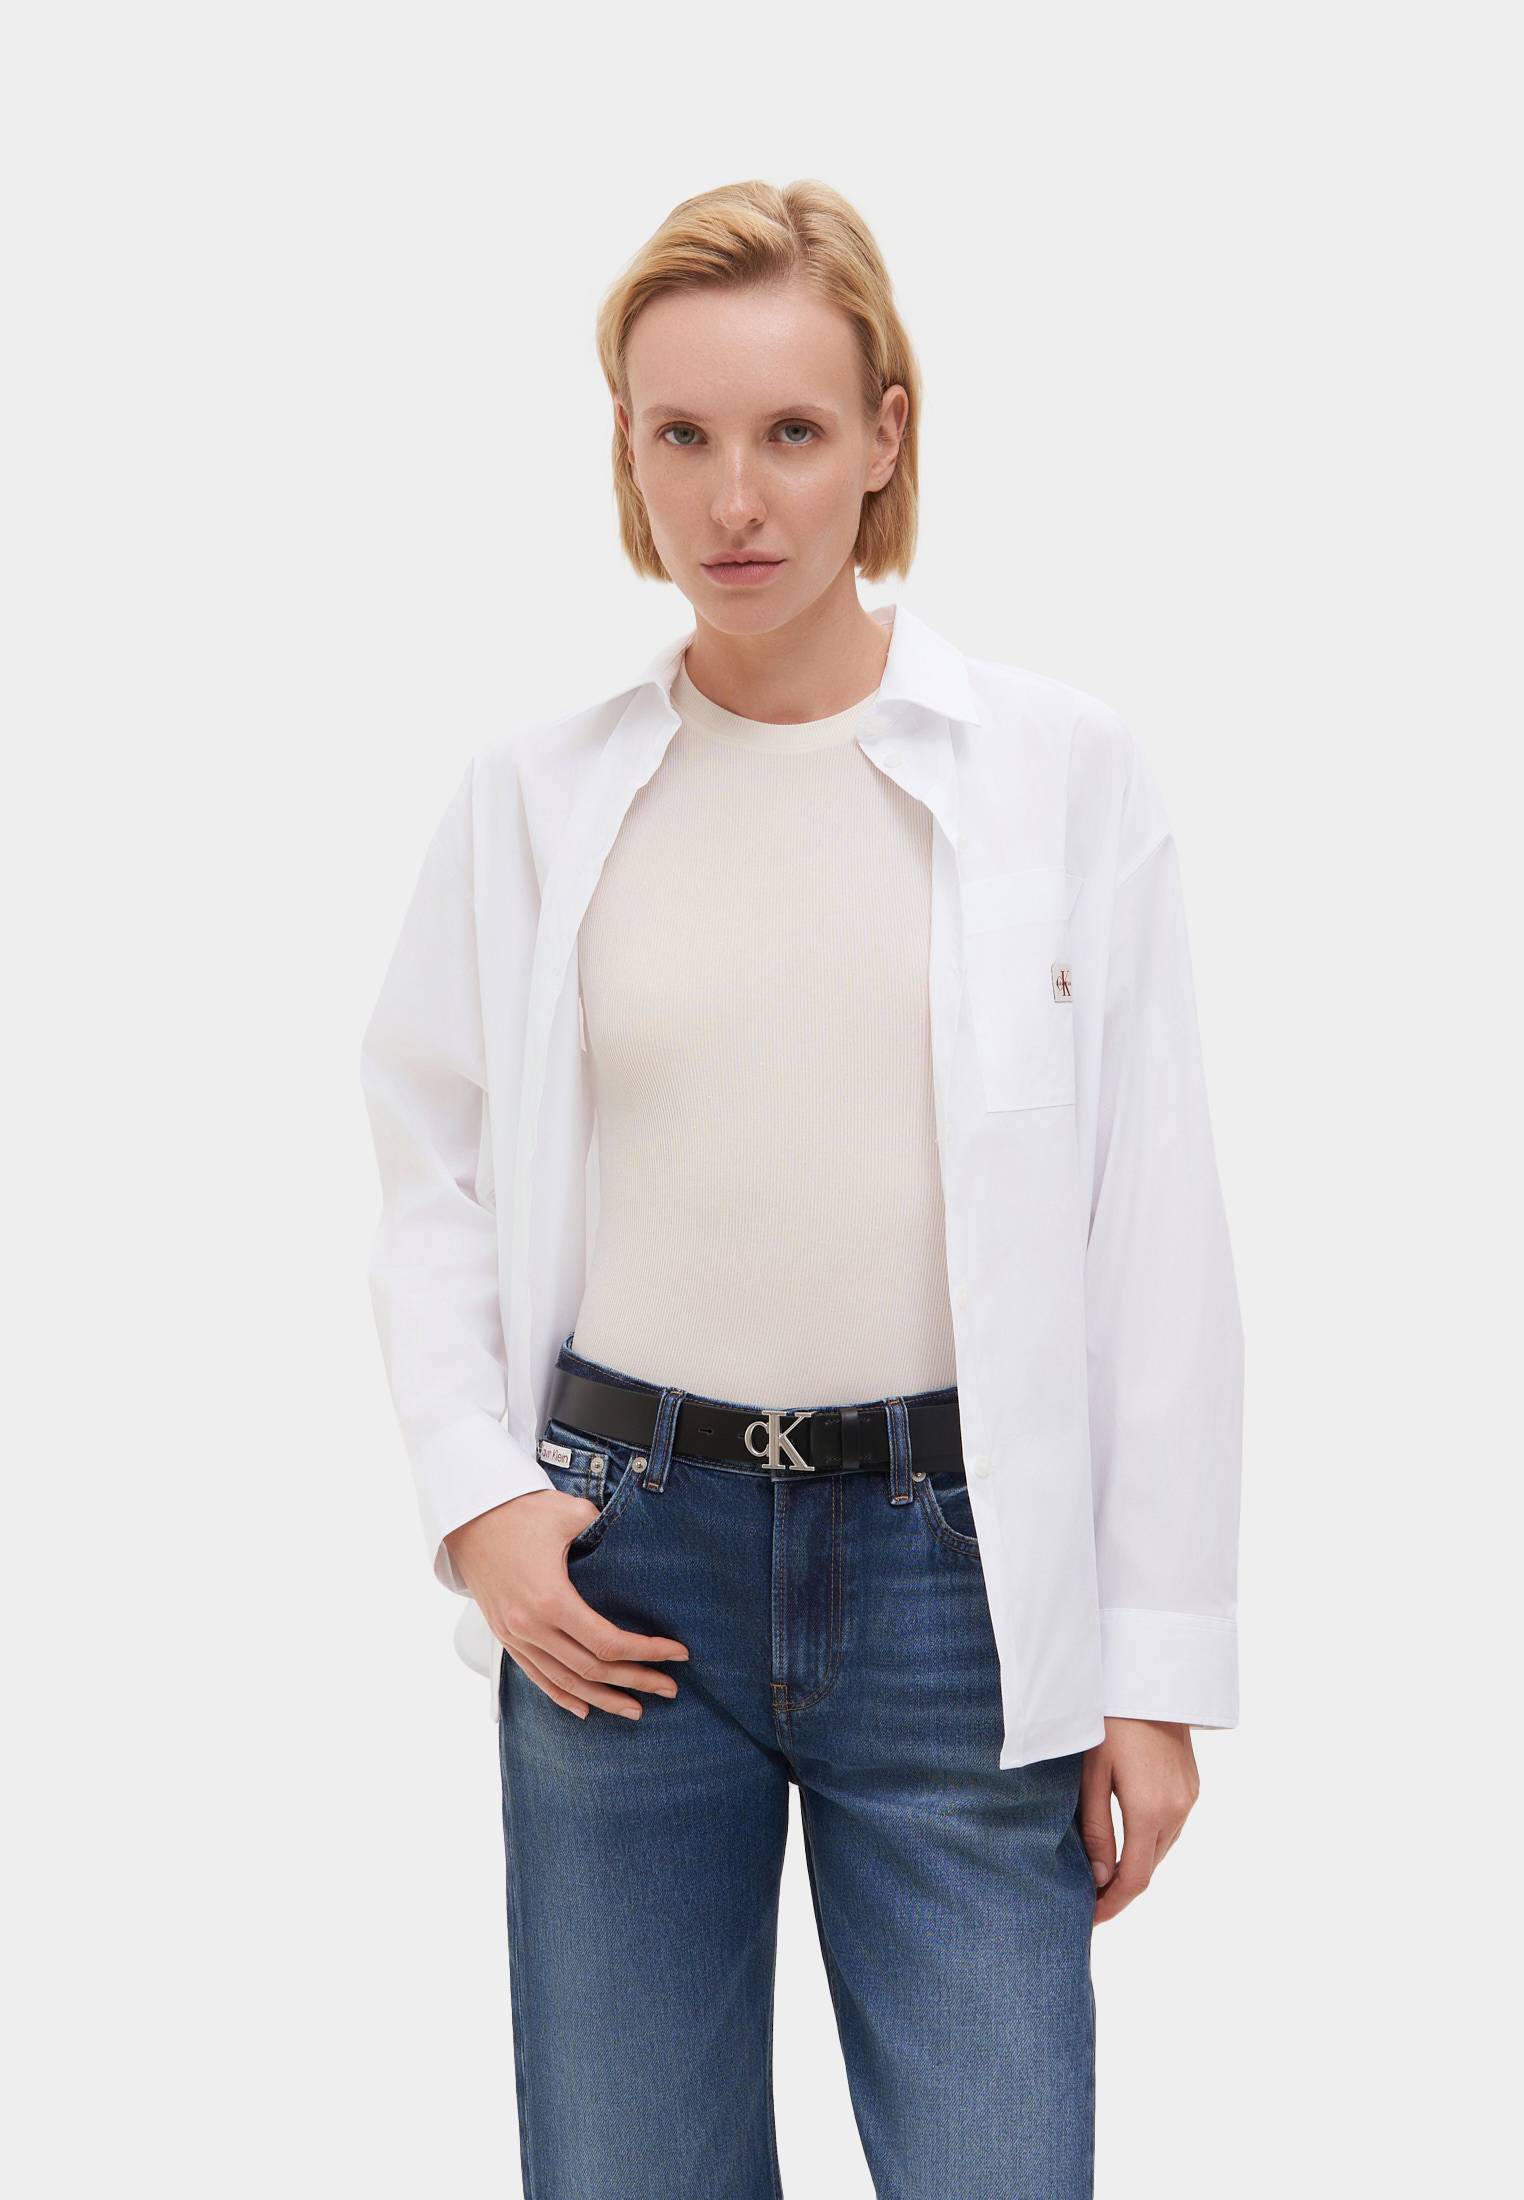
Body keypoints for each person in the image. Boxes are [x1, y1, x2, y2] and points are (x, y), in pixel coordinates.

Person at [360, 177, 1244, 2200]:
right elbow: (431, 1157)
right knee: (630, 2169)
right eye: (680, 433)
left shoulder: (1060, 774)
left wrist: (1155, 1667)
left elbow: (1153, 1224)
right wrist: (479, 1498)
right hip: (623, 1568)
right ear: (625, 447)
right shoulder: (537, 797)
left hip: (959, 1579)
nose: (734, 497)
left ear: (883, 438)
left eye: (790, 430)